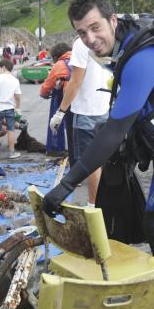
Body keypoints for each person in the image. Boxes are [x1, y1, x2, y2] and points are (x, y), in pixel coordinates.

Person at [43, 0, 154, 309]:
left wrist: (66, 184)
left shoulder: (140, 58)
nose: (90, 39)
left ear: (113, 20)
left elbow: (114, 131)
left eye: (95, 27)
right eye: (82, 32)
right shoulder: (126, 44)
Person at [49, 36, 111, 207]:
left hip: (85, 111)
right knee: (102, 159)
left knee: (90, 162)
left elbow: (76, 82)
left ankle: (92, 204)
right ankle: (101, 202)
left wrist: (60, 112)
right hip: (106, 108)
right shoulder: (108, 38)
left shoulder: (81, 43)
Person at [40, 42, 72, 156]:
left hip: (64, 96)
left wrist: (43, 93)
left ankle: (56, 148)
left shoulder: (59, 64)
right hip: (80, 98)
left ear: (55, 56)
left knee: (56, 123)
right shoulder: (78, 59)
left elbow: (47, 85)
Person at [0, 59, 22, 159]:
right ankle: (12, 153)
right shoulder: (15, 80)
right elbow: (18, 96)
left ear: (3, 67)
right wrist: (17, 107)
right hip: (10, 107)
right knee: (11, 130)